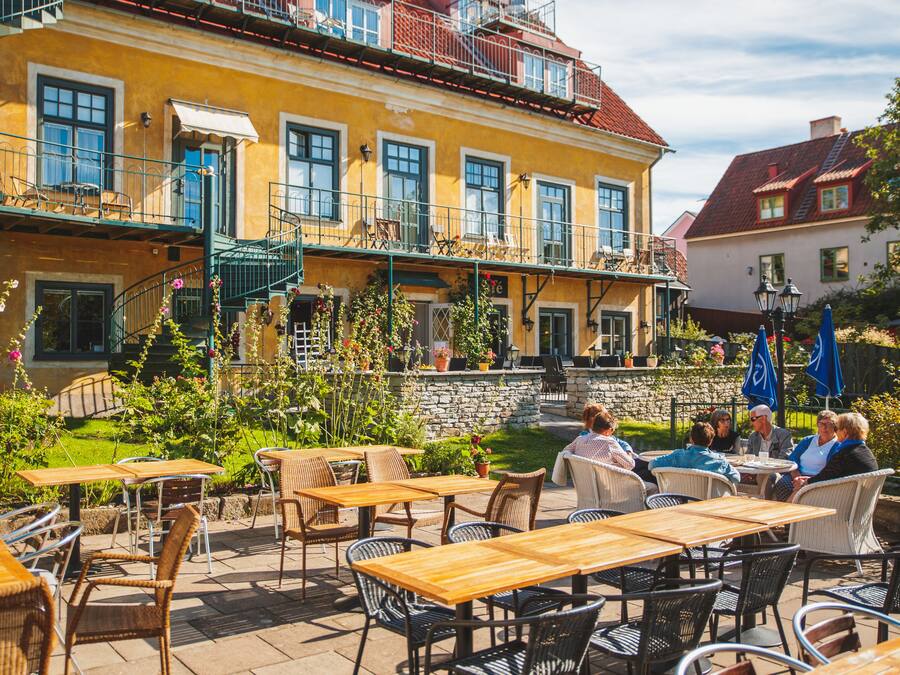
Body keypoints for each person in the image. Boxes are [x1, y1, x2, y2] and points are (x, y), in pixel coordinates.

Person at [788, 412, 879, 500]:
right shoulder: (866, 453)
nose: (835, 432)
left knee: (798, 491)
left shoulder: (844, 454)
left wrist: (804, 482)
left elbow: (825, 478)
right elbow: (828, 476)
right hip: (857, 501)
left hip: (839, 501)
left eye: (837, 429)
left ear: (845, 432)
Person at [772, 410, 838, 501]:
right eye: (821, 424)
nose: (825, 428)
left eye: (829, 424)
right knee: (782, 484)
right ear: (818, 425)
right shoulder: (808, 440)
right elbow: (792, 460)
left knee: (801, 489)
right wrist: (797, 477)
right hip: (797, 475)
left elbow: (830, 470)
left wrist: (805, 481)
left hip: (818, 480)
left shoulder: (837, 445)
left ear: (835, 426)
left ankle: (785, 510)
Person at [648, 422, 740, 483]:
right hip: (709, 502)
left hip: (680, 499)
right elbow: (736, 478)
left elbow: (651, 465)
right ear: (711, 441)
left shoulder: (677, 456)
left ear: (691, 439)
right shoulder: (719, 461)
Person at [564, 409, 635, 470]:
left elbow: (565, 452)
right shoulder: (609, 443)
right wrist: (628, 454)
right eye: (613, 430)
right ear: (609, 430)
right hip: (610, 482)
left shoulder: (579, 440)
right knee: (643, 465)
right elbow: (630, 465)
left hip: (585, 481)